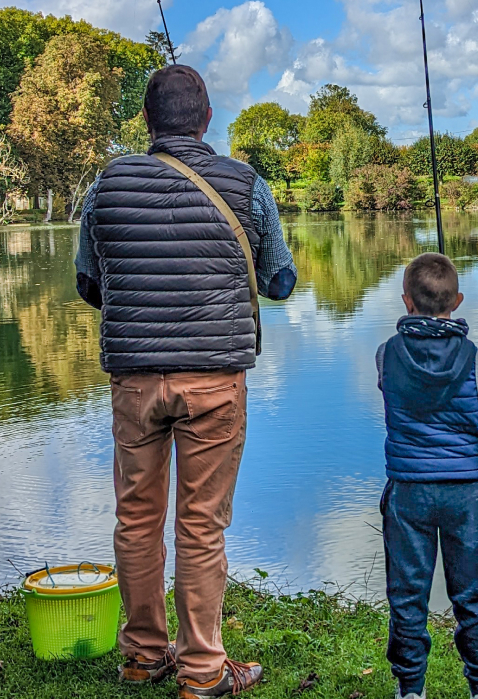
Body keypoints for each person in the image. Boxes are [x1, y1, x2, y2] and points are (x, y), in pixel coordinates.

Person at [75, 64, 295, 698]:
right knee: (202, 525)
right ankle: (202, 670)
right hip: (215, 382)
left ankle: (143, 654)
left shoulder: (105, 186)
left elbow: (89, 284)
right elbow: (280, 280)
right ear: (206, 118)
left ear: (147, 122)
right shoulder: (247, 185)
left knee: (136, 518)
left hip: (135, 382)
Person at [375, 252, 478, 699]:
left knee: (407, 595)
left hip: (407, 493)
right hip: (466, 495)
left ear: (405, 301)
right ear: (456, 300)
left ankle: (410, 689)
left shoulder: (386, 355)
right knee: (472, 595)